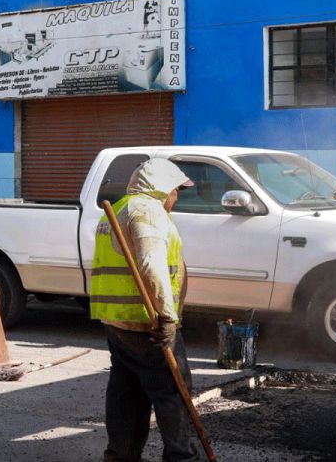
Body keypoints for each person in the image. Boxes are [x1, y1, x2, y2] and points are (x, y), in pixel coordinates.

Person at [90, 158, 203, 462]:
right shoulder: (147, 211)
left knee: (127, 393)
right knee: (173, 394)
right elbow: (151, 266)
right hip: (147, 324)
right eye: (175, 191)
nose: (175, 198)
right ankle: (182, 457)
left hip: (118, 322)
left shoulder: (123, 207)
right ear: (162, 187)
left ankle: (121, 456)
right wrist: (166, 317)